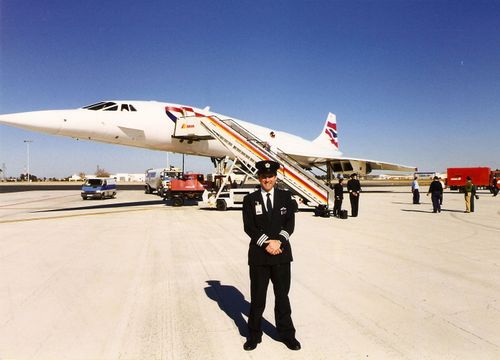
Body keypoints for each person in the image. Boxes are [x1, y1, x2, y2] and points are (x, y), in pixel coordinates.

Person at [242, 160, 301, 351]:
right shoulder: (250, 199)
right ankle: (253, 335)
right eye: (263, 176)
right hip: (259, 256)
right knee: (258, 298)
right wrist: (267, 243)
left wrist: (279, 243)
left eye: (270, 176)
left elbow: (289, 224)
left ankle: (287, 334)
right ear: (259, 178)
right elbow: (249, 227)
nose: (267, 179)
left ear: (275, 177)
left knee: (282, 297)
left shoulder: (286, 197)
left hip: (281, 255)